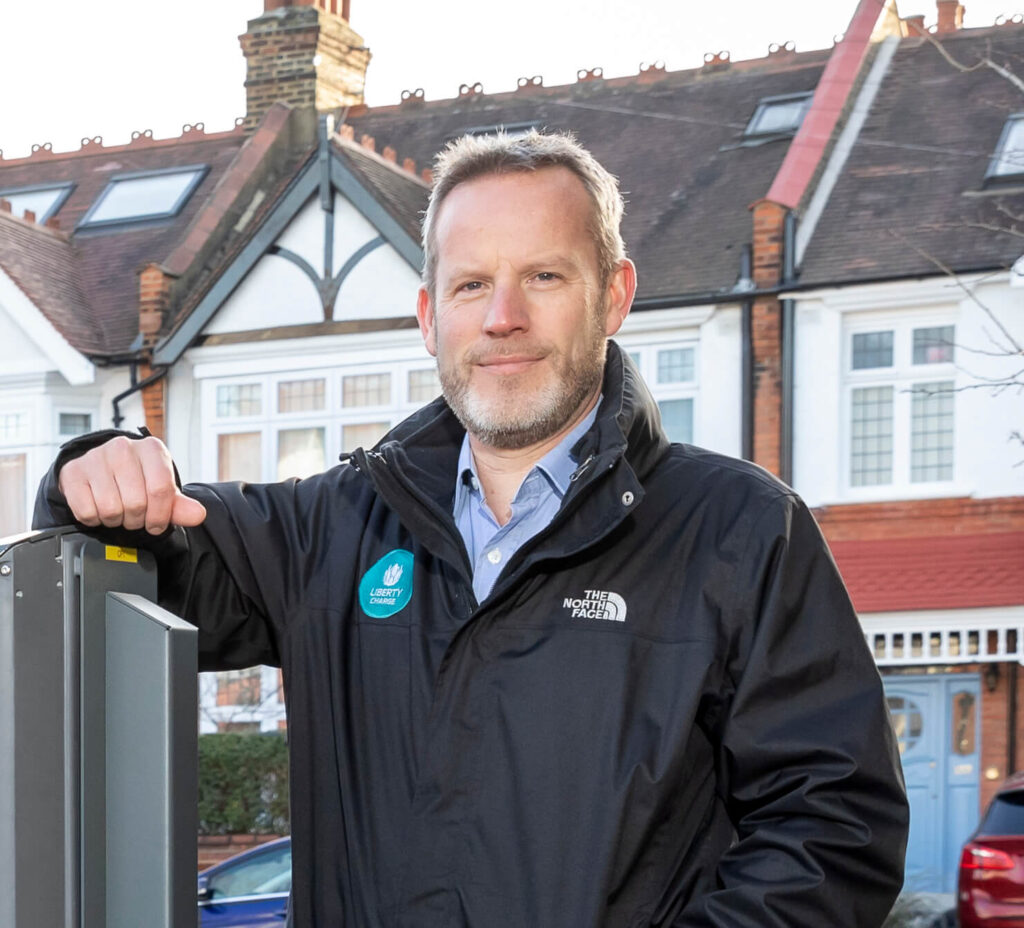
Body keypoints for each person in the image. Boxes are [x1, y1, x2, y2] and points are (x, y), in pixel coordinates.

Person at [35, 131, 908, 927]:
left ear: (613, 296)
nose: (502, 318)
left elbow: (834, 830)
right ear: (428, 317)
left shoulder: (742, 533)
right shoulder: (329, 531)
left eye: (544, 276)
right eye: (472, 285)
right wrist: (96, 470)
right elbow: (143, 561)